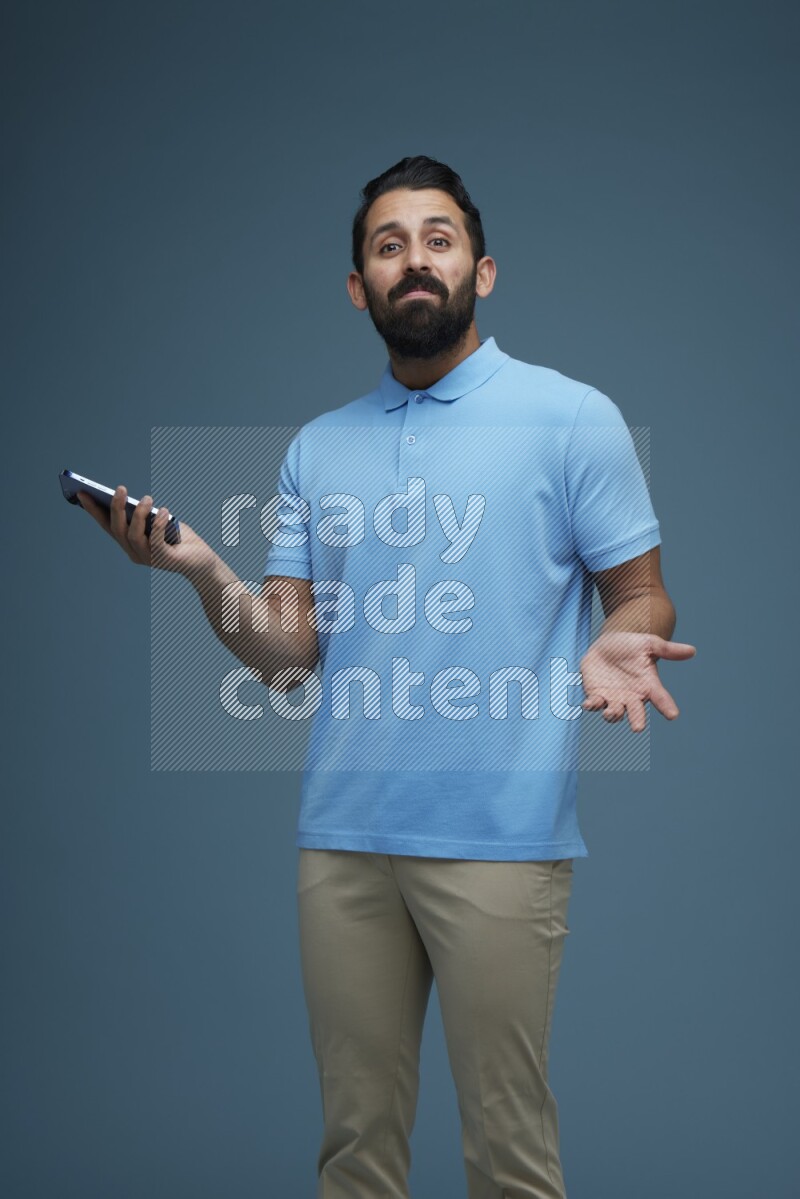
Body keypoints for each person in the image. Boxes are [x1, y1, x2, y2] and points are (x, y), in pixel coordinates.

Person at [77, 155, 696, 1199]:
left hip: (500, 839)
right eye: (388, 243)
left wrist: (618, 634)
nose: (416, 258)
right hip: (344, 843)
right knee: (354, 1150)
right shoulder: (318, 449)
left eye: (438, 238)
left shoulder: (568, 416)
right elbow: (286, 649)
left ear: (481, 272)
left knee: (508, 1155)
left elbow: (641, 593)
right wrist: (198, 569)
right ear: (359, 286)